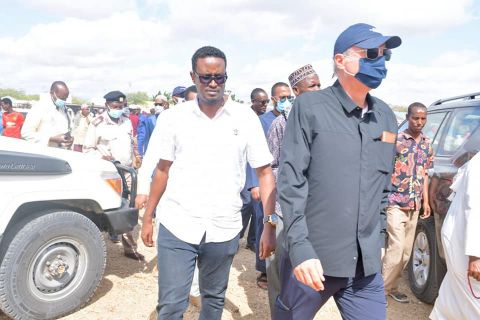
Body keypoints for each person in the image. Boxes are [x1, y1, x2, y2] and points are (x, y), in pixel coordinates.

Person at [138, 46, 276, 319]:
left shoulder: (245, 118)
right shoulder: (173, 118)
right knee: (171, 304)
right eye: (205, 77)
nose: (213, 83)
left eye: (219, 77)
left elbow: (265, 172)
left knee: (213, 300)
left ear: (226, 77)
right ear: (193, 76)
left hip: (223, 228)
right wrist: (148, 216)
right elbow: (162, 170)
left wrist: (269, 224)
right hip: (178, 224)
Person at [275, 23, 401, 319]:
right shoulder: (310, 107)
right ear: (340, 60)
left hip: (364, 268)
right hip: (313, 262)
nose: (380, 61)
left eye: (385, 55)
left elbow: (383, 187)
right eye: (371, 53)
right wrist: (301, 250)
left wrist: (379, 239)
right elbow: (291, 182)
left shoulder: (386, 117)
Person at [264, 64, 321, 312]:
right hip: (285, 205)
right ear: (297, 91)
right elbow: (271, 165)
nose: (318, 90)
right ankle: (280, 310)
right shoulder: (280, 123)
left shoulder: (326, 118)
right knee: (280, 265)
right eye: (312, 86)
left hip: (315, 205)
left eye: (320, 84)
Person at [83, 90, 144, 261]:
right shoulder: (97, 123)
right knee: (109, 208)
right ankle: (100, 243)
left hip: (128, 171)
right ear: (107, 105)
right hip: (108, 173)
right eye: (116, 106)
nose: (119, 109)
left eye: (122, 106)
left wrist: (136, 157)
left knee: (129, 208)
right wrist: (102, 157)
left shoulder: (126, 121)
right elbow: (87, 149)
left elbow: (131, 143)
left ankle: (130, 249)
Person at [383, 102, 433, 303]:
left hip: (414, 205)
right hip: (395, 202)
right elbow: (379, 159)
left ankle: (392, 286)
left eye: (423, 118)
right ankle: (379, 292)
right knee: (395, 250)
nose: (419, 122)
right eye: (415, 118)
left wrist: (426, 201)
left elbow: (426, 173)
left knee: (405, 253)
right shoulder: (395, 139)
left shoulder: (427, 143)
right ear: (407, 117)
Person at [248, 82, 292, 290]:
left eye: (288, 96)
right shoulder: (261, 121)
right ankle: (263, 270)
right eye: (281, 97)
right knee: (264, 224)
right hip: (264, 184)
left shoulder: (291, 119)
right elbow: (253, 156)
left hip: (283, 186)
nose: (286, 101)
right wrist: (253, 185)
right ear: (274, 98)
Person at [430, 152, 480, 319]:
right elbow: (473, 208)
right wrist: (475, 255)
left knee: (452, 299)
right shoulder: (478, 164)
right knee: (471, 299)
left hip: (463, 238)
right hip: (465, 243)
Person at [21, 81, 73, 149]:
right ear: (52, 93)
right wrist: (51, 139)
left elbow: (67, 129)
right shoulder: (40, 107)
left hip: (61, 153)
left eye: (66, 98)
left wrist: (69, 139)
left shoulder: (65, 110)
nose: (64, 101)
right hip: (43, 153)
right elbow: (26, 133)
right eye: (62, 98)